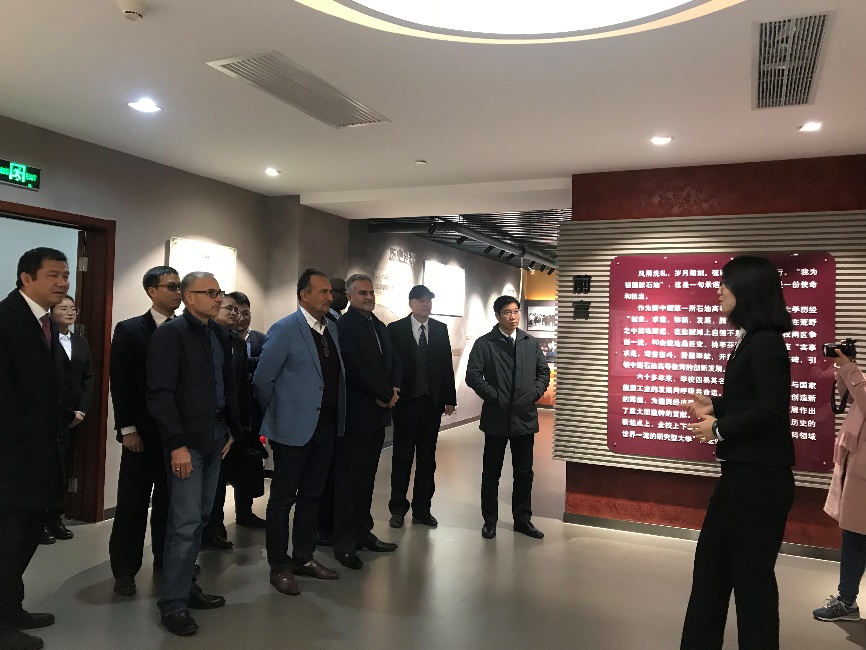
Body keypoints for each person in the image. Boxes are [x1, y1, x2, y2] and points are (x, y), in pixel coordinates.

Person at [680, 255, 795, 650]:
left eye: (726, 283)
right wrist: (716, 404)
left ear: (748, 290)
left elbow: (770, 411)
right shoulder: (753, 338)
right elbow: (754, 401)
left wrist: (718, 428)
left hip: (760, 481)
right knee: (711, 572)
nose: (719, 290)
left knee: (752, 583)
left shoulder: (765, 342)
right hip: (741, 476)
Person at [146, 272, 242, 637]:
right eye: (211, 293)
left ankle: (187, 587)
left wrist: (231, 429)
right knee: (184, 524)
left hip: (215, 437)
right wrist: (176, 445)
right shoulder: (170, 335)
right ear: (189, 297)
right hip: (186, 444)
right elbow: (160, 393)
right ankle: (173, 605)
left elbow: (226, 386)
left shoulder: (218, 334)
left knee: (201, 518)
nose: (219, 298)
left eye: (219, 292)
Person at [254, 269, 345, 595]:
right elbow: (262, 381)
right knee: (282, 500)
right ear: (303, 295)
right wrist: (279, 417)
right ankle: (279, 566)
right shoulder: (285, 329)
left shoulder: (331, 329)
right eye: (322, 292)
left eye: (329, 292)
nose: (329, 297)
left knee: (312, 496)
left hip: (326, 428)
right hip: (292, 431)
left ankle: (304, 557)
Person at [0, 247, 70, 650]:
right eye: (53, 275)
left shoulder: (46, 321)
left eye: (65, 275)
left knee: (26, 537)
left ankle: (12, 610)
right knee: (6, 542)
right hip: (12, 457)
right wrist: (26, 435)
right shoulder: (6, 319)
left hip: (42, 452)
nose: (62, 283)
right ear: (26, 278)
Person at [108, 266, 181, 597]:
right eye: (171, 287)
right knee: (132, 504)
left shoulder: (185, 330)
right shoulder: (130, 330)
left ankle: (165, 560)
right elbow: (120, 382)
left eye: (179, 287)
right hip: (140, 434)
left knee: (170, 503)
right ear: (152, 291)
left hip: (174, 436)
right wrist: (127, 429)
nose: (178, 293)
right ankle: (124, 571)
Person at [466, 295, 550, 541]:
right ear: (497, 316)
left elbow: (543, 372)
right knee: (491, 473)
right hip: (496, 417)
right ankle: (490, 520)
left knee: (524, 473)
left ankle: (522, 519)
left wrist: (532, 394)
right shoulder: (485, 343)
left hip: (524, 417)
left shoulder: (530, 342)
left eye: (515, 311)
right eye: (507, 312)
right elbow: (473, 375)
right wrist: (494, 396)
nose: (513, 317)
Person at [333, 273, 401, 570]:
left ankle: (363, 532)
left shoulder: (379, 325)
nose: (369, 297)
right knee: (349, 483)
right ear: (349, 296)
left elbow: (394, 360)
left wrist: (393, 390)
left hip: (378, 416)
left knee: (368, 479)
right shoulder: (344, 327)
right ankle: (345, 543)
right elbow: (353, 368)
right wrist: (384, 393)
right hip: (357, 416)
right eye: (362, 293)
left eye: (371, 292)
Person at [386, 285, 457, 528]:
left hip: (431, 404)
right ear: (411, 303)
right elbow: (390, 364)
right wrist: (390, 392)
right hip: (405, 403)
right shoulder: (395, 329)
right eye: (421, 300)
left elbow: (446, 365)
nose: (426, 304)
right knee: (402, 457)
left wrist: (450, 398)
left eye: (429, 300)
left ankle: (422, 510)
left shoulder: (440, 329)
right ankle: (398, 509)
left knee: (427, 459)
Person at [812, 347, 866, 622]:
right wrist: (845, 369)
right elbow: (855, 398)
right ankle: (846, 601)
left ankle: (846, 601)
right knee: (854, 536)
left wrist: (850, 369)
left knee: (855, 537)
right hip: (858, 468)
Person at [202, 293, 259, 549]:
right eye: (230, 309)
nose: (235, 314)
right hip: (208, 424)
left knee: (223, 479)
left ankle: (217, 527)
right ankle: (208, 530)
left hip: (232, 425)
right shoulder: (204, 338)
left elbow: (240, 389)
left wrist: (240, 428)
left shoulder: (235, 342)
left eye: (239, 310)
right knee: (209, 485)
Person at [44, 295, 93, 543]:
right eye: (63, 308)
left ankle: (56, 517)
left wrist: (81, 410)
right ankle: (38, 521)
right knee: (45, 468)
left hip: (74, 417)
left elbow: (87, 377)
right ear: (50, 312)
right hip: (48, 416)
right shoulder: (44, 340)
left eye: (73, 308)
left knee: (65, 466)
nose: (69, 312)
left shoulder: (80, 342)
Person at [225, 291, 267, 528]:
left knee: (249, 463)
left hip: (253, 412)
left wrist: (244, 365)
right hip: (229, 414)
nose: (241, 318)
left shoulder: (261, 339)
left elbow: (266, 366)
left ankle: (245, 511)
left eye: (246, 313)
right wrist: (250, 365)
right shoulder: (223, 338)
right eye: (236, 312)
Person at [318, 277, 347, 545]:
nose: (339, 296)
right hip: (316, 417)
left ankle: (330, 524)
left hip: (337, 415)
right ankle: (319, 528)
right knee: (319, 479)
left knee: (334, 476)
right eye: (336, 291)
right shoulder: (325, 323)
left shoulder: (338, 323)